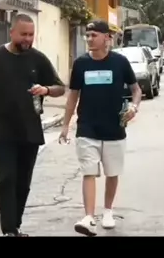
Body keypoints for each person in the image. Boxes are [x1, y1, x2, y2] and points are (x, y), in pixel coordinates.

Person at [0, 13, 66, 237]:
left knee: (23, 182)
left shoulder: (38, 59)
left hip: (29, 131)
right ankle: (8, 230)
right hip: (1, 131)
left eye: (31, 34)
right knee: (6, 178)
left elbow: (60, 87)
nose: (27, 39)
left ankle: (14, 225)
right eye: (23, 34)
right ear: (12, 32)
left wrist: (46, 90)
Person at [59, 20, 142, 237]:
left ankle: (108, 211)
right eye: (87, 35)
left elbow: (136, 90)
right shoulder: (80, 64)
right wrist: (66, 125)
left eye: (94, 35)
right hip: (87, 128)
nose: (89, 39)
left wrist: (133, 107)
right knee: (88, 171)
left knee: (112, 173)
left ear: (107, 38)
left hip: (114, 128)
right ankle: (88, 217)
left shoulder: (120, 62)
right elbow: (73, 96)